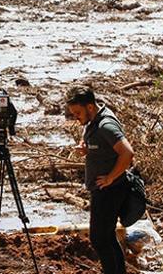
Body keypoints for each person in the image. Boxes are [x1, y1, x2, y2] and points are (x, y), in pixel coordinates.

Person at [66, 86, 134, 274]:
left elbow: (127, 153)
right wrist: (87, 150)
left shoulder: (106, 125)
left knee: (99, 239)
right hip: (104, 189)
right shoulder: (94, 119)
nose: (76, 118)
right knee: (107, 237)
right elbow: (105, 148)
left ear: (89, 107)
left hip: (110, 189)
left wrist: (110, 178)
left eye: (78, 113)